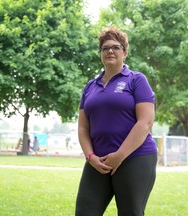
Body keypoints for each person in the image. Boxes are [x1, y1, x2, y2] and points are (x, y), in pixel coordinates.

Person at [75, 27, 158, 216]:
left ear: (125, 52)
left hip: (135, 158)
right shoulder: (90, 86)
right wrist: (90, 157)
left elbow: (145, 122)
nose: (110, 51)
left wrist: (119, 155)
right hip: (98, 161)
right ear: (100, 54)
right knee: (85, 212)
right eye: (105, 48)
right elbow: (82, 127)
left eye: (115, 47)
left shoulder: (137, 80)